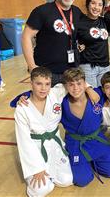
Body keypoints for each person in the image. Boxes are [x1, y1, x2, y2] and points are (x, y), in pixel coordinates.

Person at [14, 67, 73, 197]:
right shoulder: (22, 108)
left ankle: (52, 174)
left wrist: (90, 88)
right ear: (31, 84)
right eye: (38, 83)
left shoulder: (55, 93)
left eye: (47, 84)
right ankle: (45, 174)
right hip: (35, 149)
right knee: (40, 190)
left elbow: (76, 83)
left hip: (55, 146)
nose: (43, 88)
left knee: (67, 180)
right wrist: (36, 168)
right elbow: (24, 141)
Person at [60, 68, 110, 186]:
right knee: (82, 180)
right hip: (76, 143)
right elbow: (40, 95)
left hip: (96, 139)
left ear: (85, 83)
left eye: (79, 83)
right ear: (66, 86)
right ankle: (84, 162)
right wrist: (24, 96)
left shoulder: (96, 95)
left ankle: (90, 161)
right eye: (71, 85)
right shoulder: (61, 102)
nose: (76, 88)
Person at [22, 0, 82, 85]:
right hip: (47, 73)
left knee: (69, 102)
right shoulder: (42, 11)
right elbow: (26, 36)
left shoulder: (77, 12)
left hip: (72, 72)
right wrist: (31, 66)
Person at [77, 0, 110, 88]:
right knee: (92, 98)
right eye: (93, 3)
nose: (96, 7)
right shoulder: (80, 22)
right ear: (87, 4)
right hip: (87, 66)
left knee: (104, 96)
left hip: (105, 66)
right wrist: (77, 45)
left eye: (100, 4)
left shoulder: (104, 22)